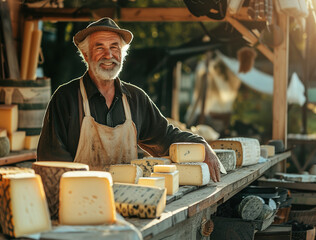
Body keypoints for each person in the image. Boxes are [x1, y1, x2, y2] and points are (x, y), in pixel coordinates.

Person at [37, 17, 221, 182]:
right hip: (80, 202)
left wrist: (201, 144)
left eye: (114, 47)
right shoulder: (65, 98)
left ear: (122, 54)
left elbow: (165, 136)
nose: (108, 55)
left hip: (129, 200)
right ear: (86, 55)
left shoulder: (136, 98)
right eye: (99, 47)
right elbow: (52, 163)